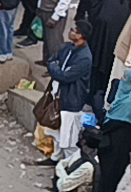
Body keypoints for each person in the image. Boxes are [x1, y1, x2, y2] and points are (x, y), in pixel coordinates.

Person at [45, 19, 93, 162]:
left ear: (80, 36)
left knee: (69, 138)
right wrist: (56, 68)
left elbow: (65, 76)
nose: (70, 32)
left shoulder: (84, 58)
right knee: (58, 132)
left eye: (74, 30)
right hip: (60, 96)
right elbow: (52, 60)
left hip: (72, 101)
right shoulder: (67, 48)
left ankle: (69, 164)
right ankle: (55, 159)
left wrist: (55, 69)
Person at [98, 69, 131, 192]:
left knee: (111, 174)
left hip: (117, 144)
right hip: (125, 142)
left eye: (126, 79)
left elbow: (114, 122)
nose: (123, 81)